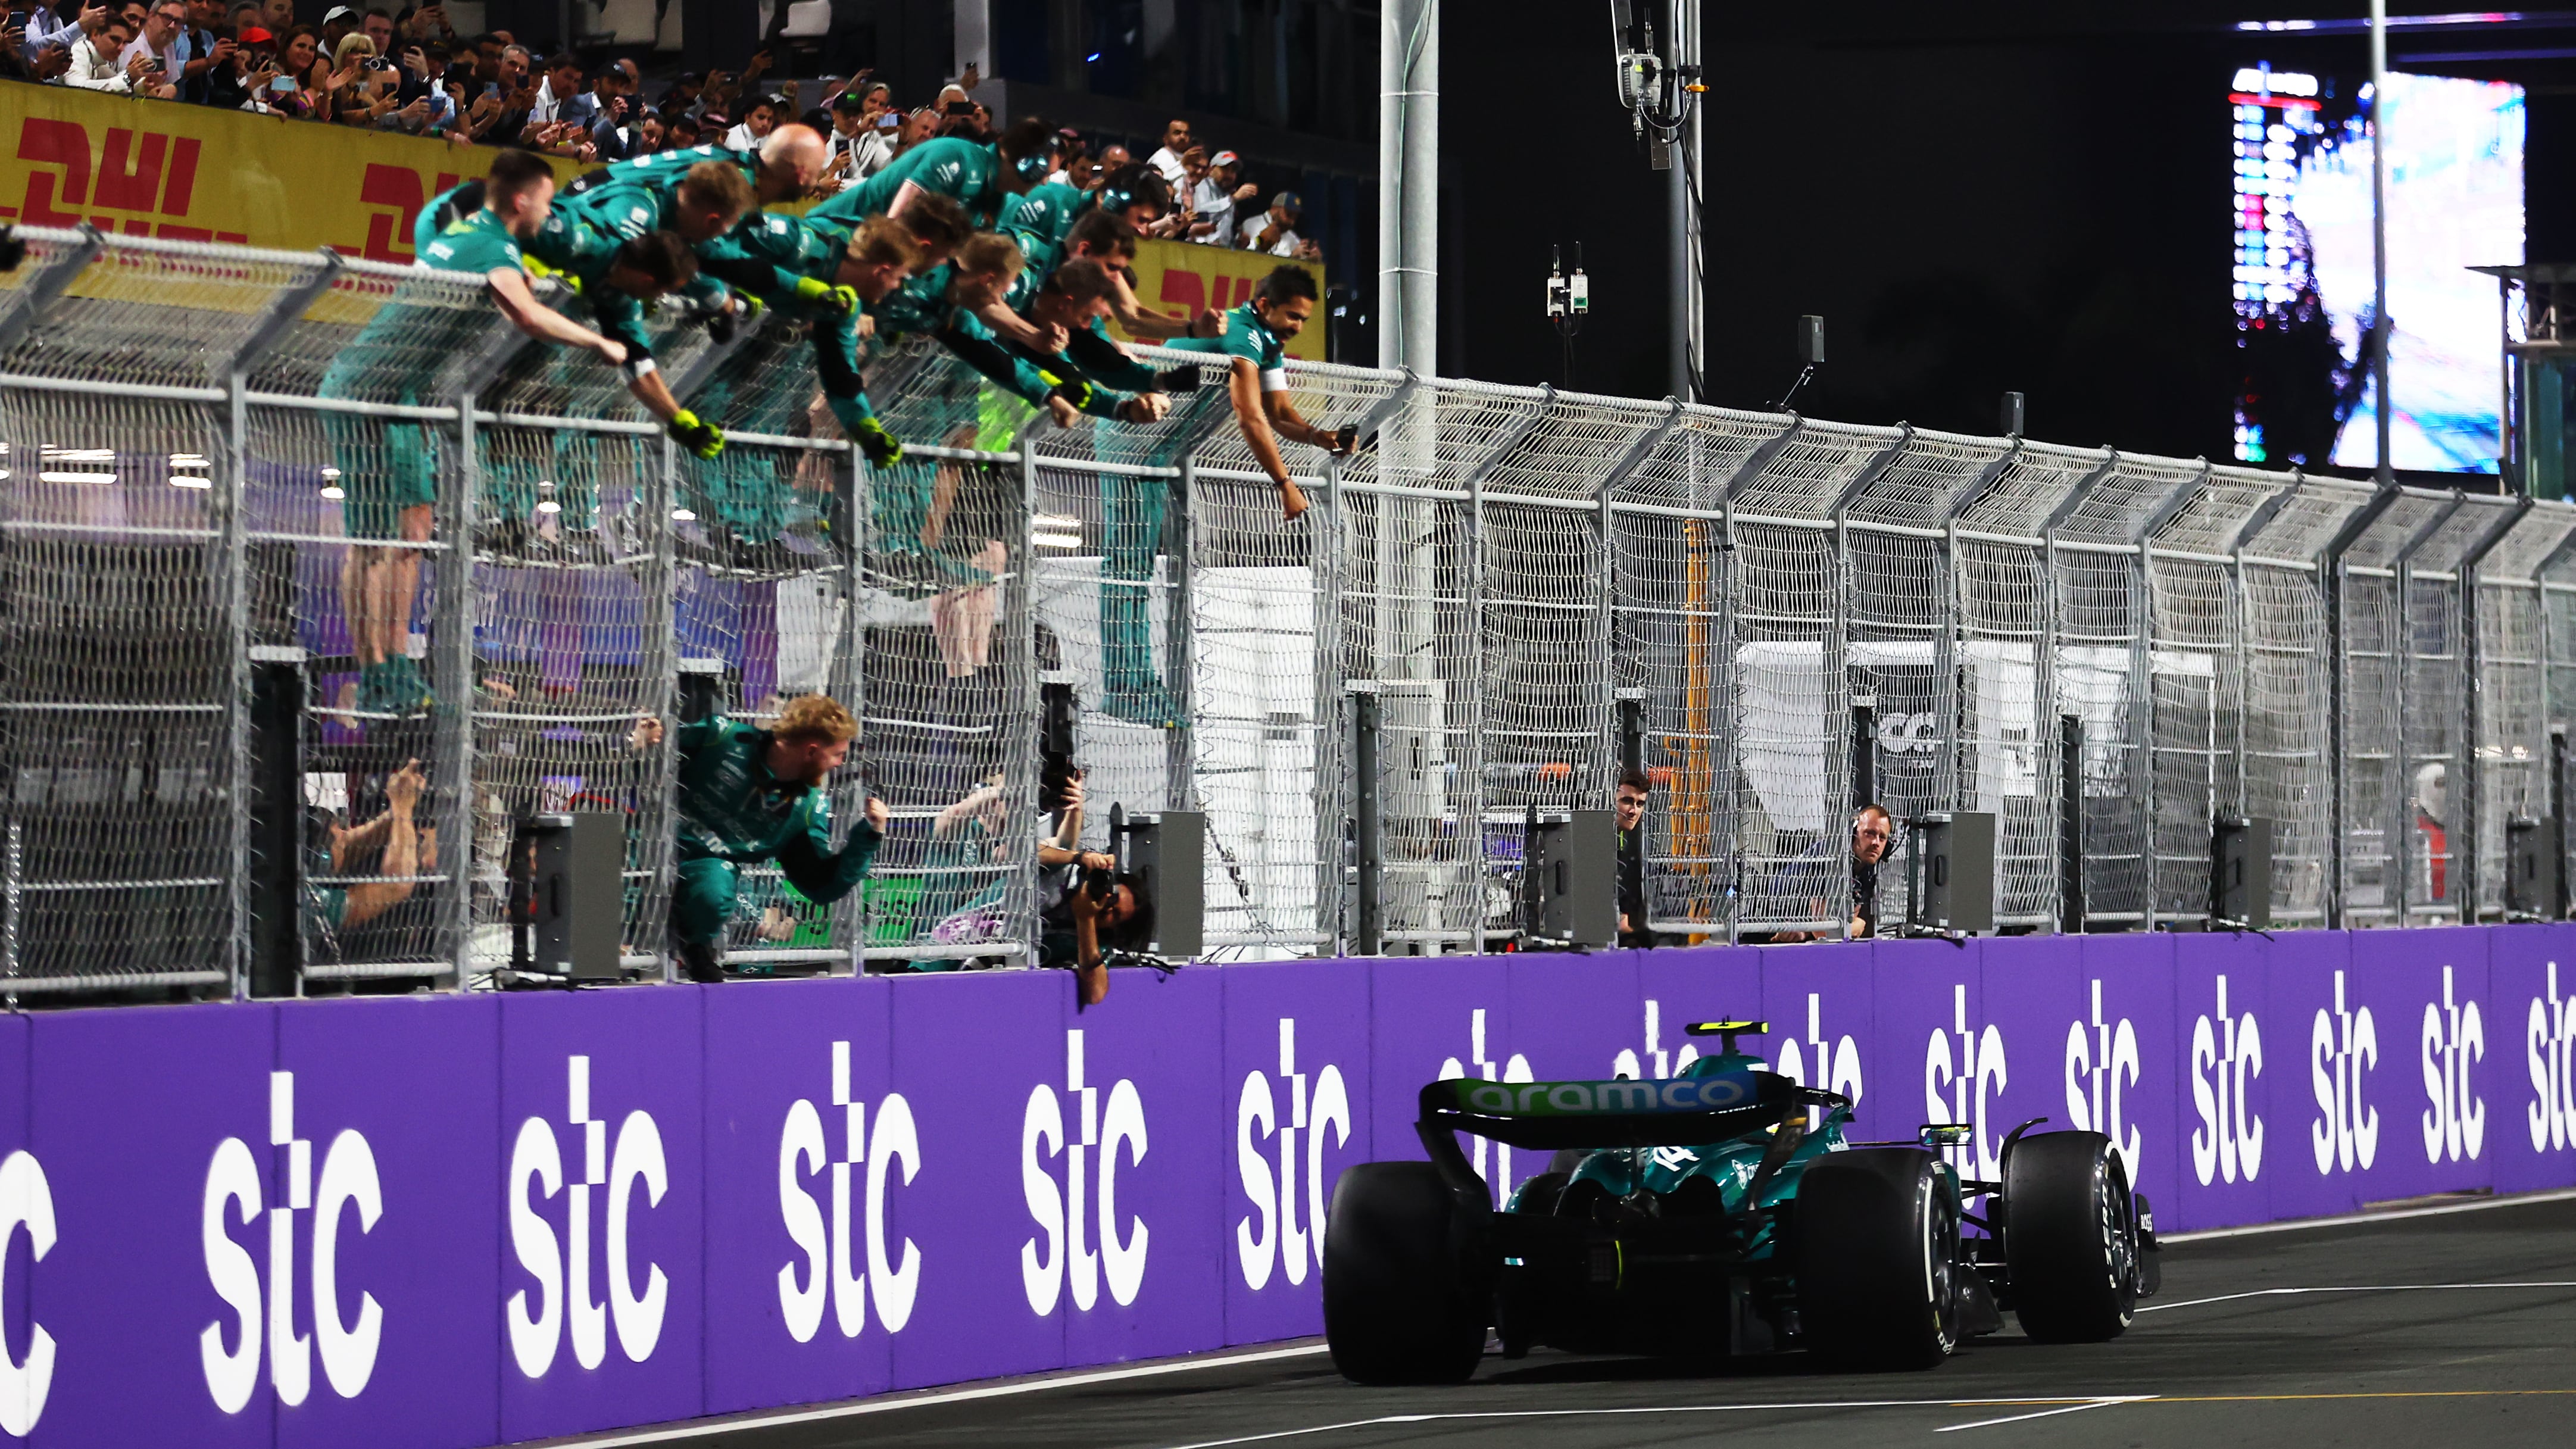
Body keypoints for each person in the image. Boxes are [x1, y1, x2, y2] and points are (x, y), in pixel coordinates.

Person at [323, 150, 633, 716]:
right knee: (372, 540)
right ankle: (375, 675)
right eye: (545, 199)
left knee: (414, 526)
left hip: (399, 393)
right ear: (522, 200)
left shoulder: (477, 234)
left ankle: (395, 667)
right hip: (365, 391)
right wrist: (602, 343)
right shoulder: (491, 245)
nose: (550, 212)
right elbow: (527, 316)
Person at [632, 694, 887, 983]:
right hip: (642, 841)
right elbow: (648, 762)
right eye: (839, 754)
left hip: (703, 866)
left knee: (714, 892)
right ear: (812, 751)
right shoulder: (722, 737)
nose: (841, 763)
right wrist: (642, 745)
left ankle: (693, 947)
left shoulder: (805, 808)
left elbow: (821, 884)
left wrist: (869, 835)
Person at [1162, 264, 1351, 520]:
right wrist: (1285, 485)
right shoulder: (1244, 335)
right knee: (1130, 551)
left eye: (1303, 320)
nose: (1298, 328)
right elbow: (1250, 417)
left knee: (1141, 548)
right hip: (1134, 436)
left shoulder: (1266, 341)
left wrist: (1319, 437)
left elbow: (1281, 414)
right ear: (1264, 306)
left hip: (1158, 442)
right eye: (1293, 316)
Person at [1777, 803, 1893, 942]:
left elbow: (1848, 923)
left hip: (1800, 932)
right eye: (1869, 833)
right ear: (1853, 832)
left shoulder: (1867, 868)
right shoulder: (1829, 856)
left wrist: (1849, 926)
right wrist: (1857, 925)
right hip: (1765, 921)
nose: (1876, 843)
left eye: (1882, 838)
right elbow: (1824, 931)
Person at [1615, 769, 1656, 948]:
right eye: (1627, 801)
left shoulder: (1618, 841)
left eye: (1640, 804)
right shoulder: (1596, 841)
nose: (1634, 811)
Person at [1190, 150, 1259, 247]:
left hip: (1221, 250)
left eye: (1233, 171)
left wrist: (1237, 241)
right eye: (1225, 169)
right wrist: (1233, 199)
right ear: (1211, 169)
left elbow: (1223, 231)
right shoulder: (1201, 185)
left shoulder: (1227, 194)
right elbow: (1201, 215)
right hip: (1199, 247)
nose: (1230, 175)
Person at [1144, 116, 1191, 188]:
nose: (1183, 137)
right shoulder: (1160, 158)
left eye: (1186, 134)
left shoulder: (1189, 159)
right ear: (1165, 138)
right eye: (1177, 133)